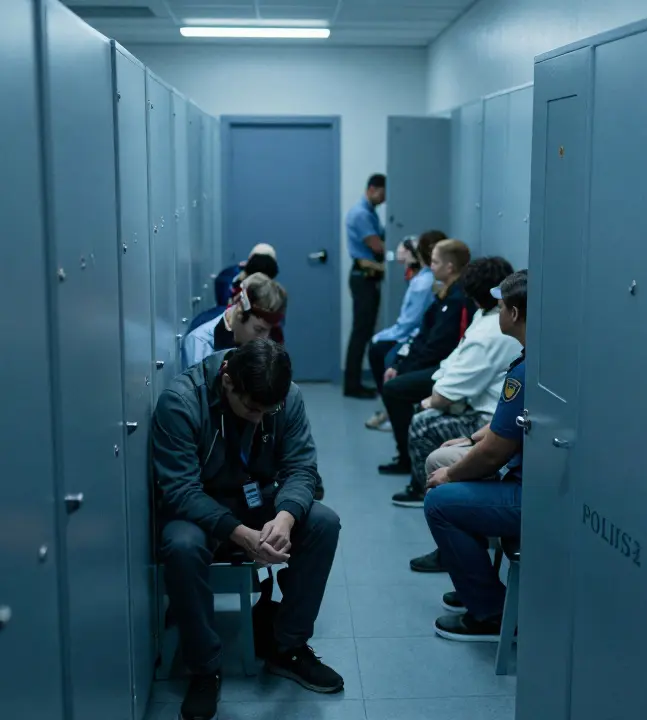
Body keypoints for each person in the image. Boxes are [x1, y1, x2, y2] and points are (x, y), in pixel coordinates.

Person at [152, 339, 344, 720]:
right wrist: (239, 533)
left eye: (267, 410)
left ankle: (287, 646)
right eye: (251, 408)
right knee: (181, 545)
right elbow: (179, 490)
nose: (259, 418)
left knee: (323, 522)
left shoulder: (287, 397)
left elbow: (302, 468)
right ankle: (205, 668)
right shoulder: (180, 402)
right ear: (227, 381)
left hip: (260, 500)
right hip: (202, 508)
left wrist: (286, 517)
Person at [420, 270, 528, 640]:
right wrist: (468, 439)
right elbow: (504, 426)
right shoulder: (541, 358)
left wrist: (450, 477)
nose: (496, 312)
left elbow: (495, 452)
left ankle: (491, 614)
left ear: (513, 314)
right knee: (446, 468)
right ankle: (475, 583)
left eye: (500, 306)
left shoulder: (526, 372)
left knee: (439, 500)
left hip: (529, 493)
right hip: (526, 475)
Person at [393, 257, 522, 507]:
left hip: (483, 415)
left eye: (504, 305)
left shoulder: (490, 335)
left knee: (422, 424)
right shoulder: (484, 318)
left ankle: (429, 493)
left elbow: (450, 395)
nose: (499, 309)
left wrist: (468, 444)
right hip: (481, 415)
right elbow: (454, 361)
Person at [377, 238, 474, 474]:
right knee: (391, 371)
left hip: (441, 367)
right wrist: (400, 363)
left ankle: (407, 459)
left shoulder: (457, 300)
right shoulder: (442, 296)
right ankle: (406, 453)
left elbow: (439, 348)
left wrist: (406, 368)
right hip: (430, 362)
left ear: (450, 267)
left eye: (434, 261)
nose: (430, 266)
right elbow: (422, 337)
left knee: (394, 389)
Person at [365, 230, 446, 430]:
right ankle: (390, 410)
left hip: (416, 336)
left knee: (382, 352)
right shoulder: (422, 280)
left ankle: (393, 412)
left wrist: (379, 337)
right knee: (381, 349)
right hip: (416, 336)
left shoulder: (424, 283)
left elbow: (408, 324)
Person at [181, 272, 286, 370]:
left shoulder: (268, 336)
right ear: (240, 313)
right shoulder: (201, 344)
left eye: (269, 330)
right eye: (258, 329)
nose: (264, 339)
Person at [344, 173, 387, 398]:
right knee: (361, 332)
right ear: (372, 189)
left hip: (366, 277)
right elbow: (377, 247)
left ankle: (354, 382)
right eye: (383, 193)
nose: (384, 198)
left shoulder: (368, 212)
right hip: (364, 277)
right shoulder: (361, 214)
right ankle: (352, 385)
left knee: (363, 331)